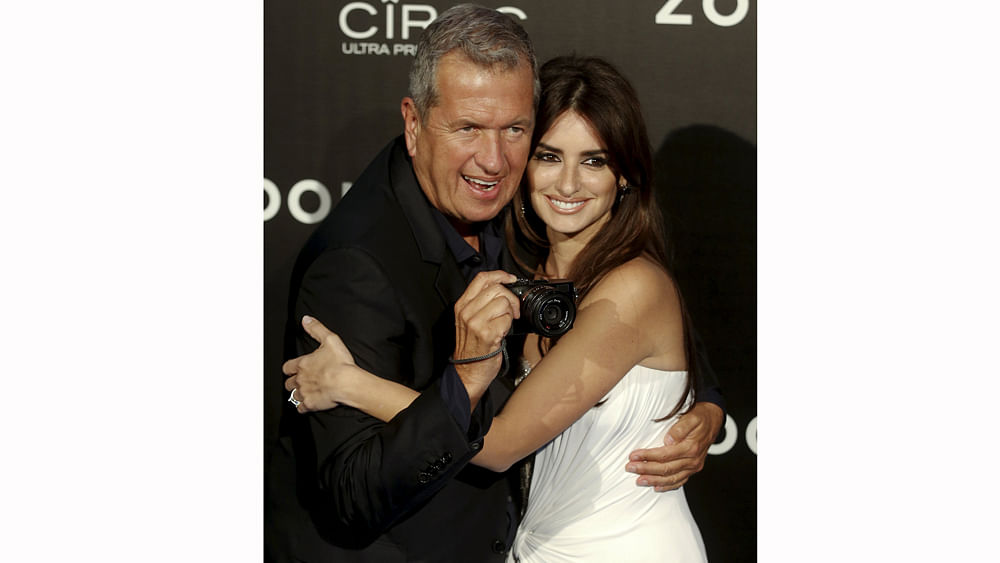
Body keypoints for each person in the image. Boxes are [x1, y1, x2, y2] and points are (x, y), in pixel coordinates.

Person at [266, 5, 723, 562]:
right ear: (414, 125)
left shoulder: (615, 277)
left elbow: (640, 337)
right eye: (550, 157)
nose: (494, 158)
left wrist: (702, 404)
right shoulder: (386, 259)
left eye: (514, 131)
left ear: (625, 173)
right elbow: (351, 490)